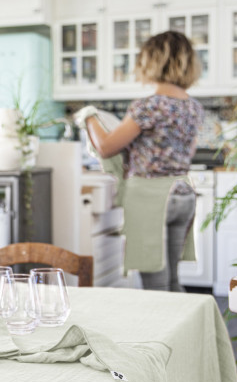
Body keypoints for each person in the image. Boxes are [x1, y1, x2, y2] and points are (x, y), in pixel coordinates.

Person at [74, 30, 202, 292]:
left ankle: (160, 333)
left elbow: (107, 147)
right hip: (182, 194)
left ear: (151, 61)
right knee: (173, 281)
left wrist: (89, 117)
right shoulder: (193, 107)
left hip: (151, 198)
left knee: (155, 284)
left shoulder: (148, 106)